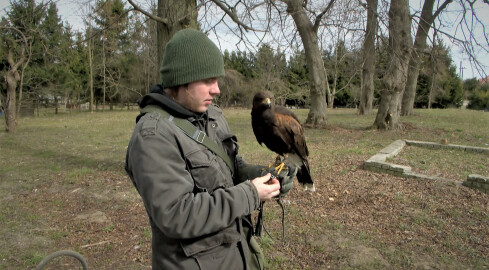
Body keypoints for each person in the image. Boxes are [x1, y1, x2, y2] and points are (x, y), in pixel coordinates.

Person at [125, 28, 296, 270]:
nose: (216, 89)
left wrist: (263, 176)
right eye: (207, 81)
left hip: (235, 255)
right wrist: (250, 194)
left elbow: (230, 168)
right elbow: (176, 215)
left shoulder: (212, 115)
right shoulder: (152, 135)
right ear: (181, 80)